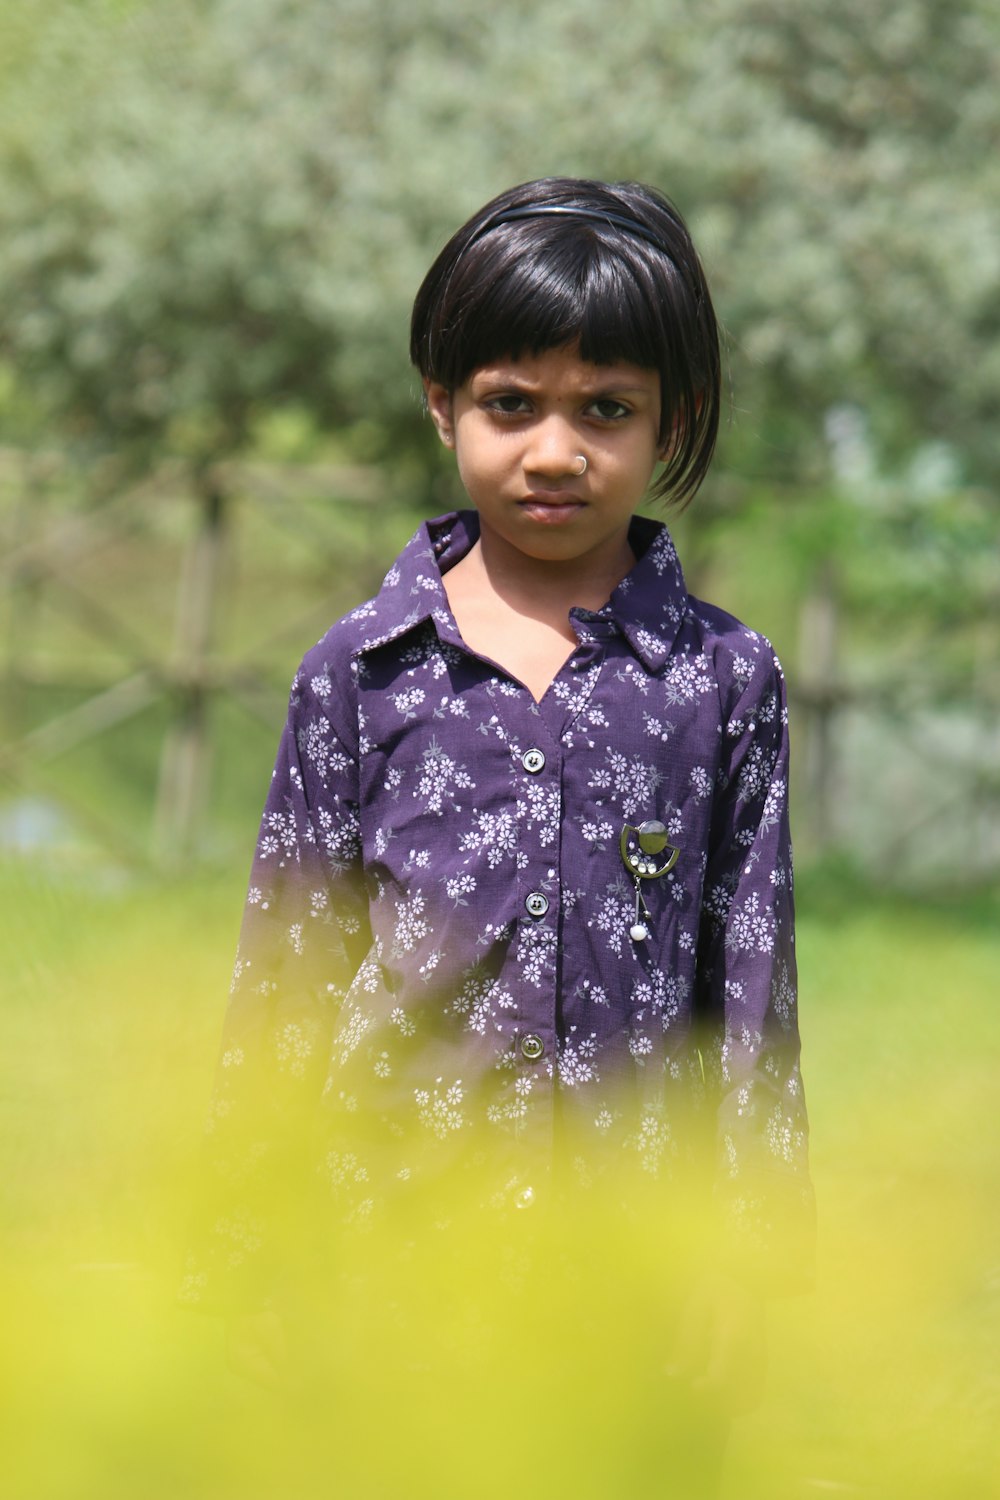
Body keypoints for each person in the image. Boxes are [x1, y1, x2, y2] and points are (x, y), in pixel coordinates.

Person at [182, 177, 813, 1495]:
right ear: (442, 403)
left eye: (608, 410)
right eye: (511, 405)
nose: (555, 449)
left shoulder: (721, 682)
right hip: (388, 1257)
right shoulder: (359, 675)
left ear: (671, 421)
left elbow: (749, 1000)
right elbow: (287, 984)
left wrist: (748, 1258)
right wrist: (253, 1259)